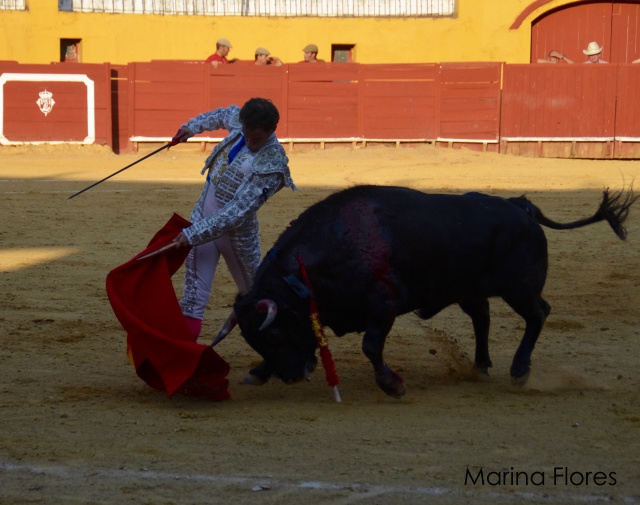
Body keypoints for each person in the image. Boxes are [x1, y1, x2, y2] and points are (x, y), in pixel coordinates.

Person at [169, 98, 296, 340]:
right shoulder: (241, 121)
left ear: (272, 130)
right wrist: (191, 127)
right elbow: (219, 114)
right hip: (201, 219)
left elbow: (237, 212)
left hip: (236, 237)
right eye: (246, 135)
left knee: (256, 296)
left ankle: (284, 350)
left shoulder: (273, 161)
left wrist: (193, 234)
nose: (249, 141)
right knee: (193, 296)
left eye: (256, 139)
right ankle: (183, 360)